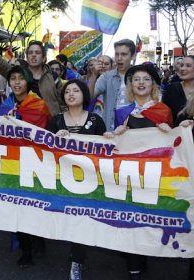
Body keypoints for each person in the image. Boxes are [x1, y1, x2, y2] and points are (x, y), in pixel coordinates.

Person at [108, 63, 172, 280]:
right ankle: (134, 268)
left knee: (148, 220)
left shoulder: (164, 111)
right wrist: (114, 134)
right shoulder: (122, 113)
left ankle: (142, 257)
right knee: (131, 221)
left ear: (152, 84)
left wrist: (170, 132)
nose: (141, 83)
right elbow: (116, 146)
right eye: (136, 79)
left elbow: (174, 146)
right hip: (129, 174)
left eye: (146, 79)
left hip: (154, 175)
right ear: (131, 85)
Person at [47, 79, 106, 280]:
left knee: (81, 221)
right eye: (67, 91)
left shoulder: (96, 121)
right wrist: (56, 138)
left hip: (89, 181)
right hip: (62, 180)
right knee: (70, 221)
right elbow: (45, 151)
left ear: (84, 95)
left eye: (76, 91)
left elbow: (106, 151)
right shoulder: (55, 120)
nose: (71, 94)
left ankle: (76, 262)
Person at [0, 65, 51, 268]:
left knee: (35, 205)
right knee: (17, 207)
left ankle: (39, 238)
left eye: (21, 78)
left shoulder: (39, 105)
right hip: (11, 163)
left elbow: (44, 135)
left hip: (35, 163)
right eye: (13, 79)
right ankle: (25, 249)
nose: (17, 82)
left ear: (28, 82)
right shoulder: (5, 106)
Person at [0, 28, 64, 116]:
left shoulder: (53, 77)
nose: (33, 55)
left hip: (49, 126)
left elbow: (63, 103)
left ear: (44, 58)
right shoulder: (18, 73)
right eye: (30, 53)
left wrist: (60, 123)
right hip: (24, 124)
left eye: (37, 53)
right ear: (27, 57)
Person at [93, 39, 137, 131]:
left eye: (124, 54)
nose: (119, 58)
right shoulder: (106, 77)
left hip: (134, 131)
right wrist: (93, 75)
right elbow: (89, 97)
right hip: (110, 132)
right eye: (117, 54)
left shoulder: (141, 76)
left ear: (133, 56)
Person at [163, 56, 194, 123]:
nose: (182, 68)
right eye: (181, 65)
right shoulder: (171, 89)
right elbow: (164, 115)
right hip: (176, 132)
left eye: (188, 66)